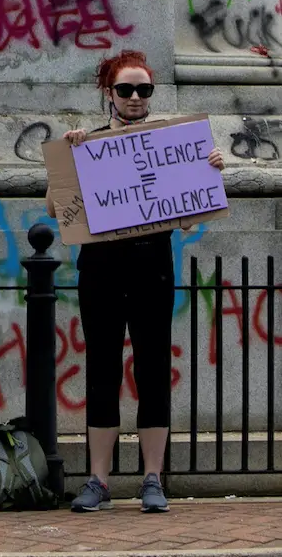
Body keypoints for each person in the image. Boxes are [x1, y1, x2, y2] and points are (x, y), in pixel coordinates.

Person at [61, 50, 223, 514]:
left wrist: (208, 171)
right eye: (126, 90)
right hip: (101, 269)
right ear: (109, 94)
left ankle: (153, 477)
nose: (135, 97)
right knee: (102, 371)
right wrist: (70, 156)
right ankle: (98, 479)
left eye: (144, 90)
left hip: (152, 265)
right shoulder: (87, 143)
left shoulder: (174, 146)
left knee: (153, 369)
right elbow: (57, 210)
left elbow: (192, 218)